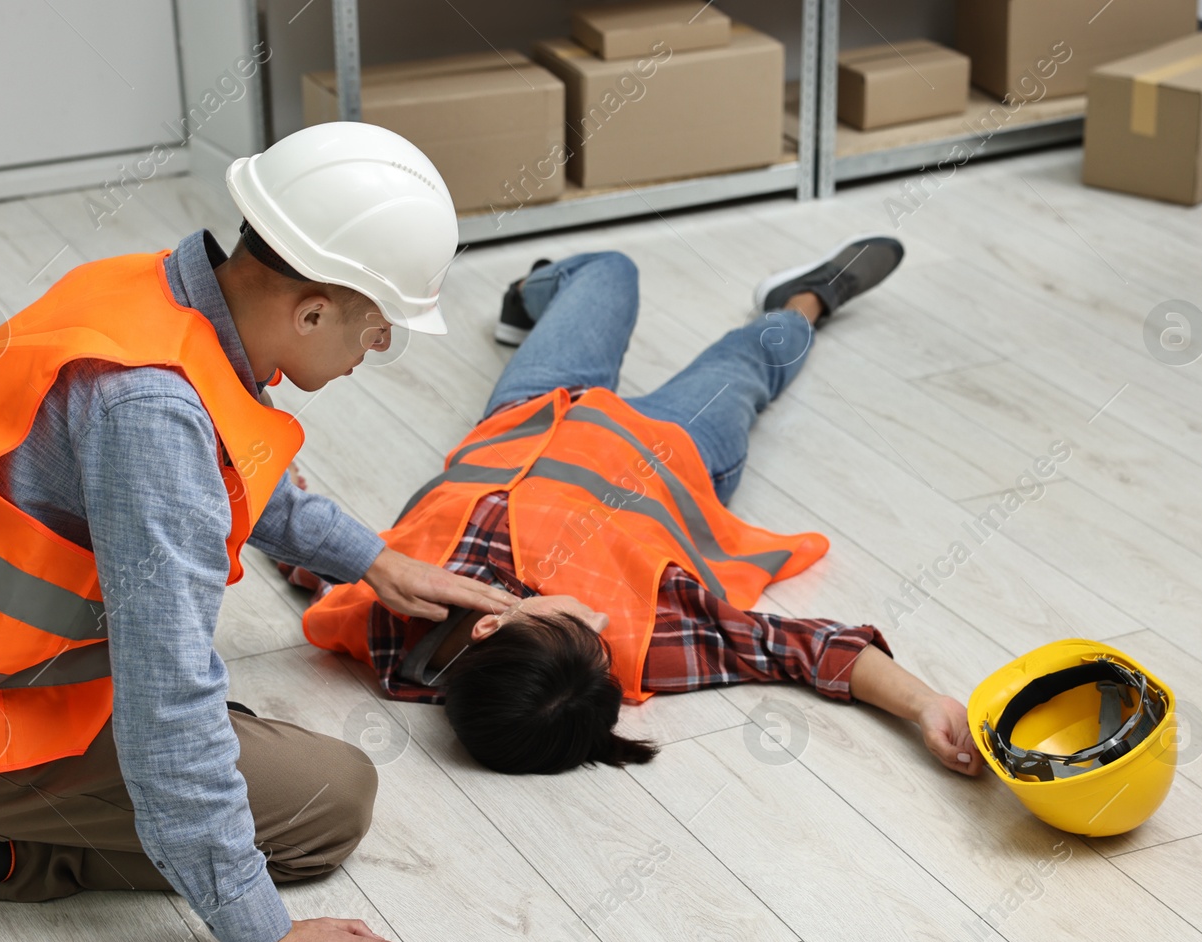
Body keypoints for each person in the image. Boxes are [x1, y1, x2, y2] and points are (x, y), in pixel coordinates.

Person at [0, 123, 517, 942]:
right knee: (333, 799)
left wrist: (372, 560)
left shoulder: (147, 294)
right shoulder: (150, 416)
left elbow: (226, 469)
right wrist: (260, 932)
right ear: (311, 312)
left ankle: (6, 819)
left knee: (242, 741)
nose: (375, 352)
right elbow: (168, 700)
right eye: (380, 332)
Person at [276, 237, 982, 778]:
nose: (604, 624)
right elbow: (806, 649)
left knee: (609, 268)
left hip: (536, 408)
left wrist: (278, 486)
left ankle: (529, 296)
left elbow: (306, 548)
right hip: (673, 446)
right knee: (753, 358)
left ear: (490, 623)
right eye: (602, 645)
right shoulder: (641, 641)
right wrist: (924, 704)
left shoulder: (390, 616)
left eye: (580, 626)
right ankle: (806, 298)